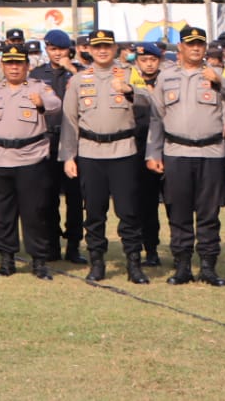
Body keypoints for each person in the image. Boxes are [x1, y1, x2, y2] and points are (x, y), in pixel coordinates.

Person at [146, 26, 225, 285]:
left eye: (200, 44)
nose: (196, 48)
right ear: (181, 48)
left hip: (211, 152)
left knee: (209, 212)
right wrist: (153, 153)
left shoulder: (218, 73)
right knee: (179, 211)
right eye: (191, 44)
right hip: (176, 151)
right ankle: (182, 265)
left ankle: (208, 266)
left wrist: (219, 81)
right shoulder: (166, 77)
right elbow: (156, 118)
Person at [59, 29, 150, 284]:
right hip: (90, 153)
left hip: (123, 151)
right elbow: (70, 122)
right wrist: (68, 156)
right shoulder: (78, 80)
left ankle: (134, 263)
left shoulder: (130, 73)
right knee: (95, 211)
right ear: (88, 49)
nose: (102, 51)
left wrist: (129, 89)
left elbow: (150, 103)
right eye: (97, 46)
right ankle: (96, 262)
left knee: (129, 211)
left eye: (107, 47)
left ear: (115, 49)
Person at [0, 40, 62, 278]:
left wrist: (41, 102)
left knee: (34, 214)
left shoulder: (38, 87)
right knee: (3, 215)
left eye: (18, 63)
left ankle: (39, 261)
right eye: (9, 63)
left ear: (27, 66)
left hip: (31, 159)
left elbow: (56, 105)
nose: (13, 68)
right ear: (3, 65)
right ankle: (7, 259)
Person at [34, 28, 85, 264]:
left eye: (61, 49)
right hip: (47, 140)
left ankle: (73, 246)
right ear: (46, 49)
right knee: (46, 197)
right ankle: (52, 245)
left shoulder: (80, 72)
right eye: (53, 49)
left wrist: (71, 68)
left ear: (69, 50)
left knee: (75, 199)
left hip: (75, 142)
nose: (57, 53)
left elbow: (86, 89)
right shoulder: (36, 74)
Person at [130, 43, 166, 265]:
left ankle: (181, 250)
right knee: (144, 203)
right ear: (137, 62)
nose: (149, 64)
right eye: (144, 60)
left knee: (173, 203)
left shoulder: (168, 80)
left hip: (167, 146)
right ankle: (149, 249)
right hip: (138, 146)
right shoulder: (130, 82)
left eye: (153, 60)